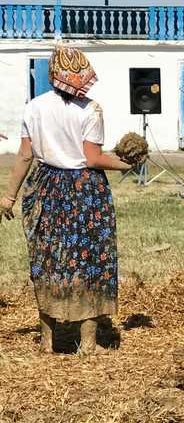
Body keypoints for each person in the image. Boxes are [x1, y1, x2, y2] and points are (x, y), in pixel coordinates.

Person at [1, 45, 136, 353]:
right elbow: (92, 158)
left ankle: (47, 342)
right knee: (91, 260)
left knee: (47, 259)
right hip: (85, 191)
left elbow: (24, 155)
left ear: (52, 76)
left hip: (45, 185)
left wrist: (8, 196)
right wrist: (125, 163)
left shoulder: (34, 107)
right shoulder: (91, 109)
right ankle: (87, 343)